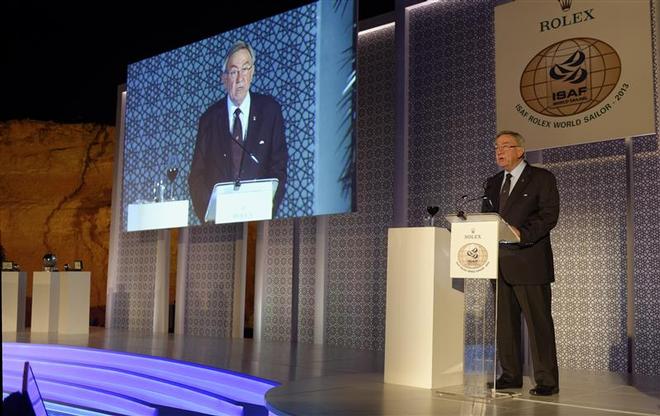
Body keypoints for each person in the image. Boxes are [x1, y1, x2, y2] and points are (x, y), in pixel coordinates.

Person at [482, 130, 560, 396]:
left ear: (520, 150)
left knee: (538, 324)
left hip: (529, 261)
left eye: (505, 146)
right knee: (505, 324)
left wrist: (522, 233)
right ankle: (510, 376)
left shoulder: (541, 178)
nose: (499, 151)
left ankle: (547, 380)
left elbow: (549, 215)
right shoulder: (492, 182)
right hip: (499, 263)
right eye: (496, 147)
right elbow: (486, 219)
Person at [188, 40, 288, 222]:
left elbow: (278, 169)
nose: (240, 79)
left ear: (253, 72)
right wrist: (211, 214)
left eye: (245, 69)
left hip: (257, 222)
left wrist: (265, 211)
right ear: (224, 78)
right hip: (218, 226)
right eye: (234, 72)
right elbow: (196, 176)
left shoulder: (270, 111)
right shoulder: (209, 119)